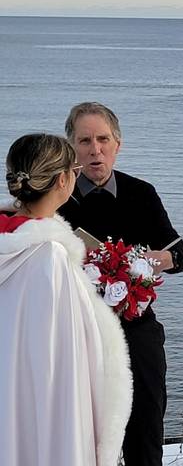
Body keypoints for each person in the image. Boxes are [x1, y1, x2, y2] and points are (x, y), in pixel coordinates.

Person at [58, 102, 183, 466]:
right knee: (76, 438)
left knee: (145, 433)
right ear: (71, 148)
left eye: (103, 139)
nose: (94, 149)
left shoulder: (141, 193)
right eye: (84, 140)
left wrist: (161, 259)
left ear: (118, 144)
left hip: (136, 330)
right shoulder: (56, 197)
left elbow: (178, 252)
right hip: (74, 334)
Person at [0, 133, 132, 466]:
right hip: (42, 415)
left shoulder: (16, 244)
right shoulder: (49, 259)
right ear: (63, 179)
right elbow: (67, 363)